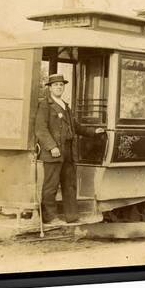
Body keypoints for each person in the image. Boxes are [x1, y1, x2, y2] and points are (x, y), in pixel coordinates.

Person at [34, 74, 104, 225]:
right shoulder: (45, 104)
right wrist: (52, 147)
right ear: (50, 88)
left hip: (68, 150)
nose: (59, 87)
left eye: (61, 84)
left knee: (69, 184)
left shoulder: (65, 105)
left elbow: (75, 126)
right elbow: (40, 129)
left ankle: (71, 216)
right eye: (56, 85)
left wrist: (93, 132)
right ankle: (50, 217)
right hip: (54, 151)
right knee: (51, 185)